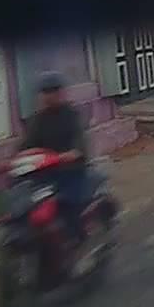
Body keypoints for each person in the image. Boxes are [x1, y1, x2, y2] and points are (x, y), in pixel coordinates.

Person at [19, 71, 92, 252]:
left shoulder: (72, 115)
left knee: (68, 204)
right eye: (45, 92)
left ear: (61, 92)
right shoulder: (38, 119)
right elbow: (27, 143)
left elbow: (80, 139)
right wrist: (12, 159)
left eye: (53, 91)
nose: (48, 96)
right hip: (45, 172)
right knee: (24, 202)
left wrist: (73, 152)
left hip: (71, 170)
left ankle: (77, 240)